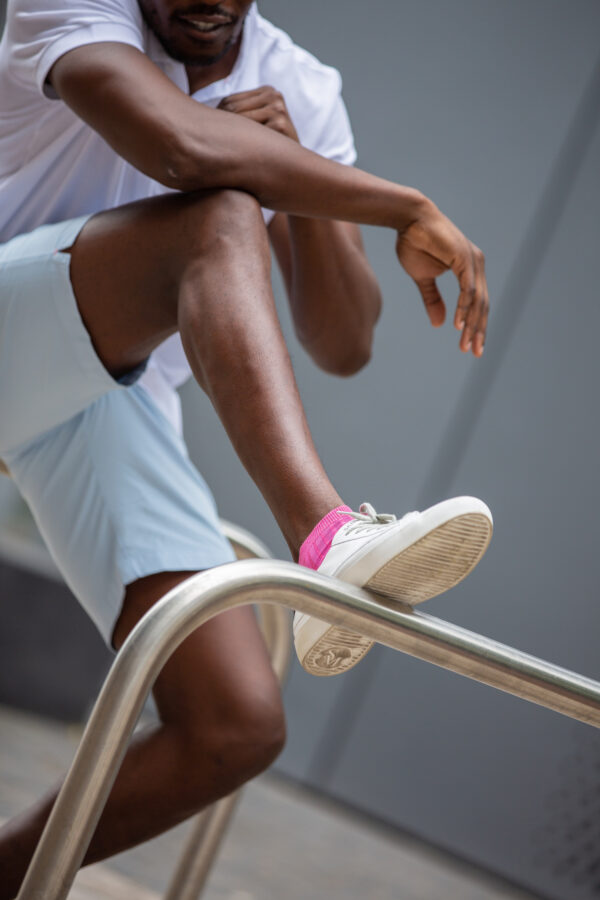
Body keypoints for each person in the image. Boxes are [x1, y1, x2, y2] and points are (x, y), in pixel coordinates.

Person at [0, 0, 492, 890]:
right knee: (219, 213)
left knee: (234, 724)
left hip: (107, 400)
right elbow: (180, 152)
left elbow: (343, 343)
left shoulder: (300, 82)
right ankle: (329, 540)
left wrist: (296, 177)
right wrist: (402, 204)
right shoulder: (75, 6)